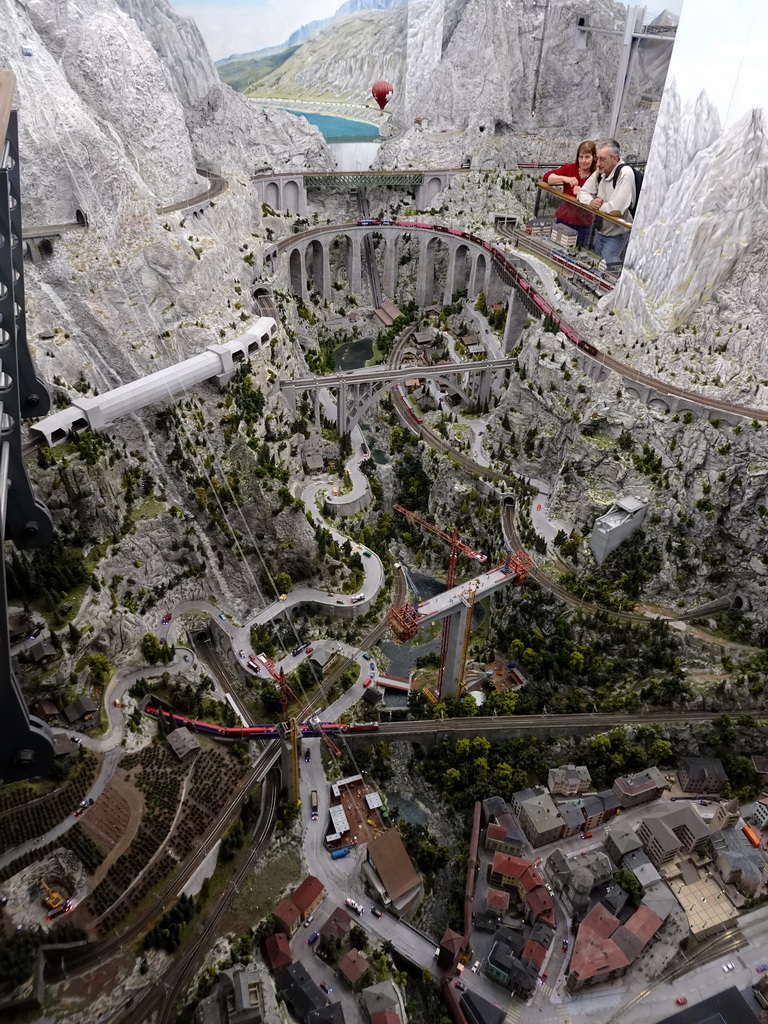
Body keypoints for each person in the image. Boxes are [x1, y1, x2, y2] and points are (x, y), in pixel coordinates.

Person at [577, 138, 635, 266]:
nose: (598, 163)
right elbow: (582, 192)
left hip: (616, 235)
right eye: (597, 159)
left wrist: (598, 206)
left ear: (614, 158)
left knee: (605, 271)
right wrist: (592, 202)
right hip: (600, 231)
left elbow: (615, 210)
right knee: (596, 266)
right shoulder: (600, 172)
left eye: (602, 159)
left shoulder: (625, 174)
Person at [542, 141, 597, 249]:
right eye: (581, 157)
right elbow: (547, 178)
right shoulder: (570, 168)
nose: (583, 161)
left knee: (578, 251)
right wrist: (565, 178)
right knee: (555, 247)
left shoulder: (596, 175)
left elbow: (600, 197)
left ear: (594, 157)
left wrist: (583, 194)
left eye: (587, 157)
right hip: (563, 219)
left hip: (583, 224)